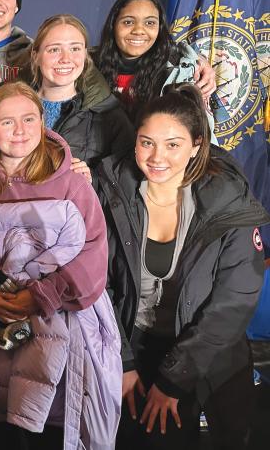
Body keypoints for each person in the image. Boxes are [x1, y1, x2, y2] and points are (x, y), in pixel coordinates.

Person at [0, 81, 119, 449]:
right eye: (7, 122)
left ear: (42, 123)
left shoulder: (72, 186)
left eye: (28, 119)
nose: (19, 131)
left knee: (50, 432)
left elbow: (93, 255)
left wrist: (42, 295)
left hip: (64, 336)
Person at [98, 84, 270, 450]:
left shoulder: (227, 199)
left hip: (207, 352)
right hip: (134, 346)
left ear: (195, 146)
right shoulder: (111, 191)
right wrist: (122, 361)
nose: (157, 156)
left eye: (173, 144)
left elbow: (233, 303)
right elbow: (99, 284)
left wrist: (174, 381)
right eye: (147, 142)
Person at [29, 14, 133, 182]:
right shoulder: (11, 108)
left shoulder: (109, 115)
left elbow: (127, 178)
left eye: (75, 49)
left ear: (85, 54)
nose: (65, 59)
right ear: (36, 55)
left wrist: (93, 179)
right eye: (54, 49)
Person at [94, 0, 216, 124]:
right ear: (113, 25)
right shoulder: (87, 66)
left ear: (160, 28)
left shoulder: (182, 73)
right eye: (128, 22)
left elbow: (200, 133)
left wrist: (196, 61)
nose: (139, 30)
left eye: (149, 23)